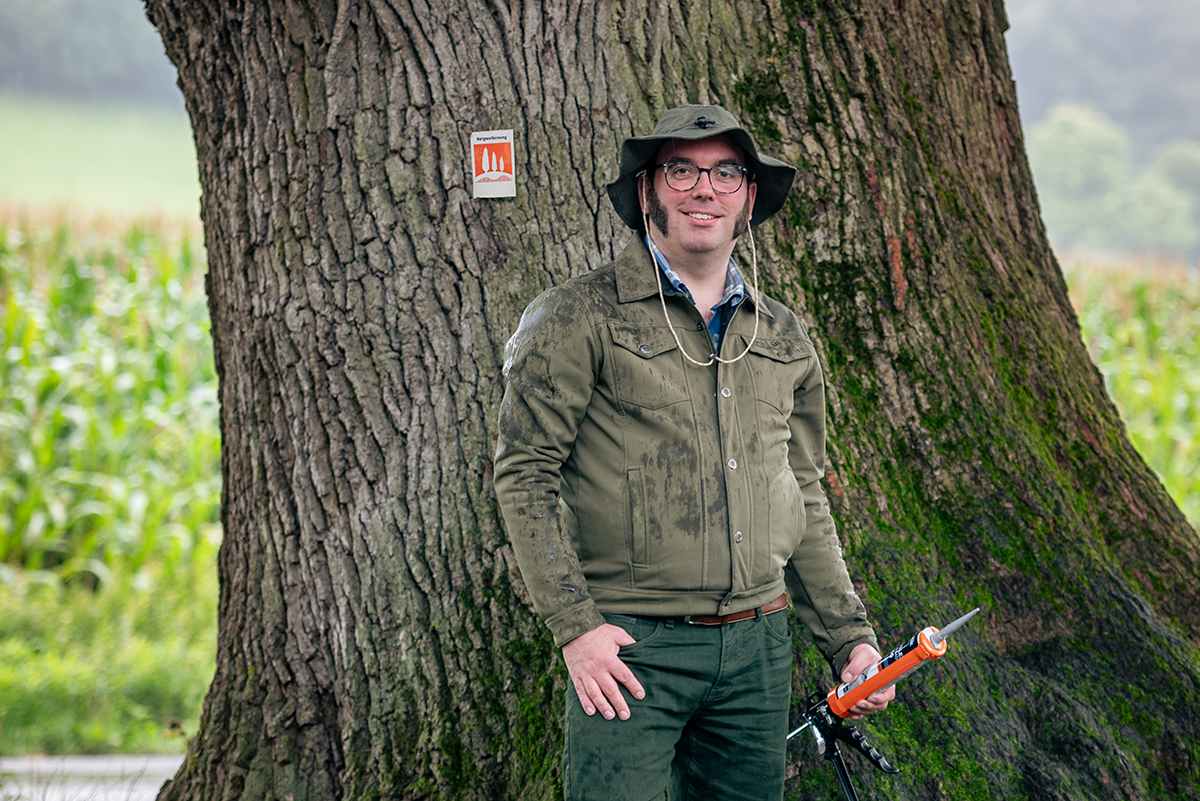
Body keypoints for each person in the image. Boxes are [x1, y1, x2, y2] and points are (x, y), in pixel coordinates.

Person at [493, 104, 893, 801]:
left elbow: (803, 493)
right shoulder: (578, 316)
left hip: (759, 651)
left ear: (747, 199)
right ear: (648, 191)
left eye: (726, 172)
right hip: (630, 650)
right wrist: (576, 629)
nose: (704, 188)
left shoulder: (785, 336)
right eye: (682, 169)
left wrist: (850, 642)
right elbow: (525, 475)